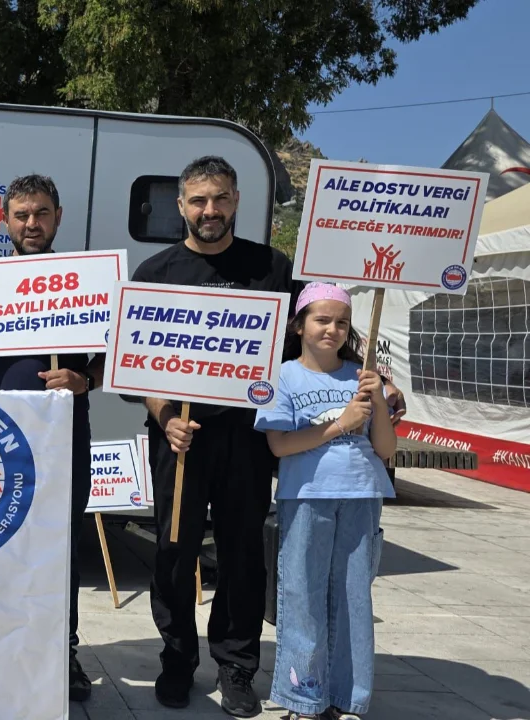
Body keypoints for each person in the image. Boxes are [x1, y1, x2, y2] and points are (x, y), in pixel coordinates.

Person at [130, 156, 405, 717]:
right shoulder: (154, 273)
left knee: (241, 553)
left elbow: (320, 329)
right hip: (181, 439)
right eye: (199, 200)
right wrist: (166, 417)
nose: (210, 210)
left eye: (221, 198)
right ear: (181, 206)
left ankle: (236, 666)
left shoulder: (271, 267)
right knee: (175, 551)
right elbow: (138, 368)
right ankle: (177, 660)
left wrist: (377, 379)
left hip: (251, 438)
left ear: (236, 200)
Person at [0, 174, 101, 703]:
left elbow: (116, 355)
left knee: (60, 547)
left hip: (66, 439)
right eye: (21, 215)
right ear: (5, 222)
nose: (32, 224)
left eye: (41, 213)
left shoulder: (84, 280)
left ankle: (63, 653)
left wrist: (85, 380)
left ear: (58, 217)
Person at [254, 283, 395, 720]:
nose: (332, 329)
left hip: (362, 495)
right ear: (299, 325)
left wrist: (378, 402)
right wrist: (340, 424)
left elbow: (386, 449)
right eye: (322, 320)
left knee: (354, 598)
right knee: (303, 594)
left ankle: (347, 696)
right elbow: (279, 445)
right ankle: (304, 697)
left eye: (342, 322)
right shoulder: (282, 376)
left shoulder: (362, 376)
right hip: (307, 497)